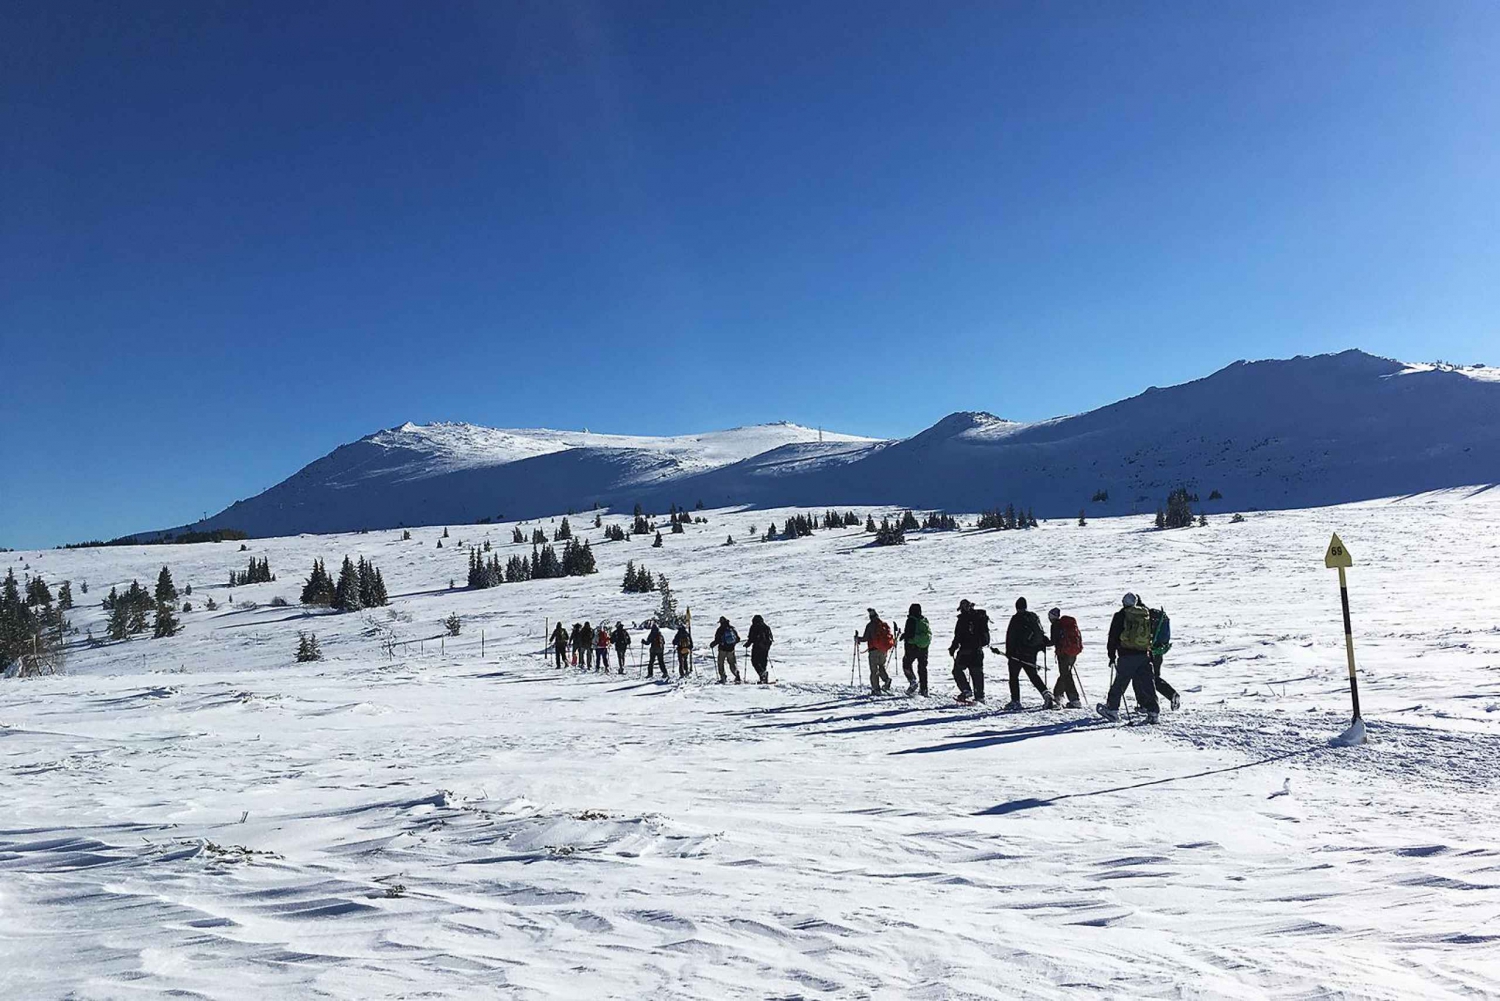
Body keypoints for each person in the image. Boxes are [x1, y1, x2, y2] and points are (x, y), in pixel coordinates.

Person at [1099, 592, 1161, 723]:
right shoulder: (1145, 614)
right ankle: (1153, 712)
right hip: (1144, 654)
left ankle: (1112, 709)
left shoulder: (1121, 615)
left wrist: (1111, 655)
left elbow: (1113, 636)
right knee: (1148, 683)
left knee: (1120, 682)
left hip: (1127, 655)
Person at [1001, 597, 1055, 710]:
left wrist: (1009, 652)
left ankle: (1015, 701)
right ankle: (1046, 694)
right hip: (1031, 652)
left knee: (1014, 677)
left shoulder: (1016, 619)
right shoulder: (1033, 616)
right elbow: (1040, 633)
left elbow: (1011, 637)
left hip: (1017, 654)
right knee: (1033, 675)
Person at [948, 599, 989, 703]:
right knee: (977, 672)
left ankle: (966, 690)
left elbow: (958, 636)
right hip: (978, 650)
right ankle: (980, 696)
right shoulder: (980, 617)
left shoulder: (962, 619)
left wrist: (953, 648)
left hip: (965, 651)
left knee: (957, 670)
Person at [1143, 602, 1180, 710]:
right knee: (1154, 677)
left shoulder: (1145, 618)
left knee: (1147, 678)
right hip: (1159, 651)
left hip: (1149, 652)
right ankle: (1171, 694)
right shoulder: (1156, 617)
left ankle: (1149, 704)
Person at [1047, 607, 1083, 708]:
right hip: (1073, 653)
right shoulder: (1067, 624)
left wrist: (1044, 642)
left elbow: (1053, 641)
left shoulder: (1055, 625)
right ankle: (1058, 695)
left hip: (1063, 654)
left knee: (1066, 676)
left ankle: (1073, 700)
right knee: (1066, 674)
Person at [856, 608, 894, 695]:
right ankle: (886, 679)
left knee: (874, 670)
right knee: (881, 666)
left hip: (873, 650)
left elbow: (865, 638)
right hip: (883, 650)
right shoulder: (883, 625)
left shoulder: (870, 625)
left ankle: (876, 689)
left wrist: (858, 639)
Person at [902, 603, 931, 696]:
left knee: (906, 664)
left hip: (912, 647)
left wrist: (904, 636)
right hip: (924, 647)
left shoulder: (911, 620)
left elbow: (909, 634)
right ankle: (924, 689)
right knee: (922, 668)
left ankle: (912, 681)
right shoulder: (924, 620)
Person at [710, 617, 742, 683]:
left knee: (720, 663)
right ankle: (736, 673)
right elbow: (738, 639)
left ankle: (723, 677)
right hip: (731, 649)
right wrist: (732, 644)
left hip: (722, 649)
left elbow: (717, 640)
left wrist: (712, 644)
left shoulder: (720, 629)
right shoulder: (732, 628)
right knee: (732, 663)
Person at [745, 614, 774, 684]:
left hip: (757, 647)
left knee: (755, 661)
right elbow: (771, 638)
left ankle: (762, 675)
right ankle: (763, 677)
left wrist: (747, 644)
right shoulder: (766, 627)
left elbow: (751, 638)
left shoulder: (754, 627)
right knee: (763, 662)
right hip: (765, 648)